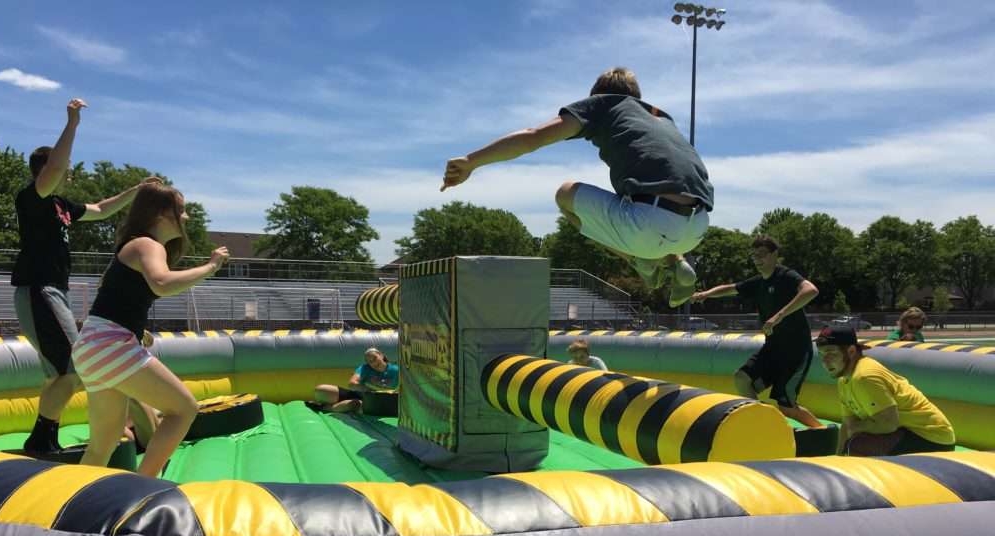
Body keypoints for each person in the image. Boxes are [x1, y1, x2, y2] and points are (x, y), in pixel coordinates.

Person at [441, 66, 713, 308]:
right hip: (698, 226)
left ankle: (638, 260)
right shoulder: (660, 117)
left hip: (648, 224)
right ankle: (676, 260)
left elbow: (532, 137)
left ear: (597, 94)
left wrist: (471, 161)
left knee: (565, 195)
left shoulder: (602, 105)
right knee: (642, 211)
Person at [13, 97, 158, 454]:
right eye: (60, 168)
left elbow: (101, 209)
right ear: (44, 171)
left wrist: (135, 191)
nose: (68, 171)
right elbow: (56, 168)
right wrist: (72, 124)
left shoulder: (61, 206)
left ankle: (43, 436)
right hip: (39, 289)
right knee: (74, 367)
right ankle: (41, 438)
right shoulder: (33, 197)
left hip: (53, 291)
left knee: (60, 371)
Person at [70, 184, 229, 477]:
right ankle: (144, 487)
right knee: (183, 409)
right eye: (180, 210)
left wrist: (136, 331)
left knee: (101, 446)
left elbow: (119, 298)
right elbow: (162, 283)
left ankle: (72, 500)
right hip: (109, 345)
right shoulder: (147, 245)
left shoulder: (135, 246)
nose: (187, 217)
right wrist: (210, 267)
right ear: (160, 214)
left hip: (91, 347)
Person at [691, 235, 823, 428]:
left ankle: (822, 432)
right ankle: (765, 425)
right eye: (754, 257)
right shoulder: (758, 282)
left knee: (786, 405)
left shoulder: (786, 276)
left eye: (762, 255)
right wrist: (706, 294)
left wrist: (779, 315)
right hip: (773, 349)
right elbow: (730, 288)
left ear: (774, 254)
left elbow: (811, 290)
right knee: (742, 379)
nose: (758, 260)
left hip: (796, 350)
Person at [815, 325, 955, 456]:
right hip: (906, 432)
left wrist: (856, 427)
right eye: (822, 354)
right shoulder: (844, 379)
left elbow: (888, 424)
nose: (825, 361)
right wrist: (838, 460)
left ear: (851, 351)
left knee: (859, 445)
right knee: (854, 443)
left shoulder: (864, 376)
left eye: (831, 353)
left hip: (932, 439)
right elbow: (847, 425)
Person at [311, 348, 399, 413]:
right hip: (362, 394)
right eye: (370, 361)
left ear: (381, 355)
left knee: (355, 404)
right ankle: (342, 405)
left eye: (375, 358)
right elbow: (352, 384)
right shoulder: (365, 368)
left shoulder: (396, 370)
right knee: (321, 390)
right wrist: (370, 389)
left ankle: (325, 408)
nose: (373, 363)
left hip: (378, 402)